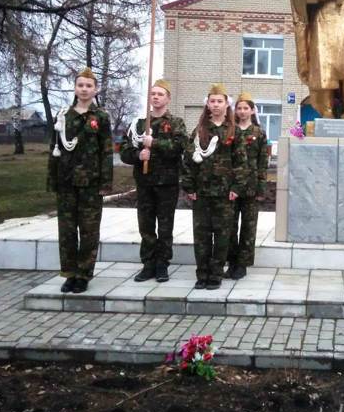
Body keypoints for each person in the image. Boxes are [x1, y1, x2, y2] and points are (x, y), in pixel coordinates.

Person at [47, 67, 113, 294]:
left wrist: (106, 183)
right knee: (66, 230)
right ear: (75, 88)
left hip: (91, 184)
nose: (84, 89)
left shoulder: (101, 117)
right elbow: (54, 148)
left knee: (88, 230)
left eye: (88, 86)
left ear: (95, 90)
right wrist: (52, 179)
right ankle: (69, 273)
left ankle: (84, 274)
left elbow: (106, 152)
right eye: (80, 85)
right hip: (66, 182)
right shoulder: (63, 115)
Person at [120, 79, 188, 284]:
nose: (156, 97)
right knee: (146, 225)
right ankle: (148, 263)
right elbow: (123, 149)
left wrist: (155, 143)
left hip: (167, 183)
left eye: (160, 94)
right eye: (153, 94)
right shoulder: (139, 123)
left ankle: (162, 265)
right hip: (145, 183)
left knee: (165, 226)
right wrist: (137, 156)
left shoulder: (176, 122)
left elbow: (181, 146)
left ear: (168, 98)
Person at [181, 83, 246, 290]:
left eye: (220, 101)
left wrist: (236, 187)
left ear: (227, 104)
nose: (216, 105)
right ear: (207, 104)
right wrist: (189, 187)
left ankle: (216, 274)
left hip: (225, 194)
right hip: (201, 193)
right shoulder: (199, 130)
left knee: (222, 235)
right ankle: (202, 274)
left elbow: (241, 163)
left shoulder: (233, 131)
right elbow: (188, 160)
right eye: (212, 101)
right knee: (201, 236)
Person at [226, 92, 269, 280]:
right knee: (230, 226)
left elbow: (262, 162)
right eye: (239, 108)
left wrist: (261, 187)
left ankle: (242, 264)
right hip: (232, 186)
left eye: (246, 108)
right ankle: (232, 262)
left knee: (248, 227)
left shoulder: (259, 133)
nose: (242, 111)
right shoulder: (229, 130)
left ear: (252, 110)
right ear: (235, 110)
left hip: (251, 187)